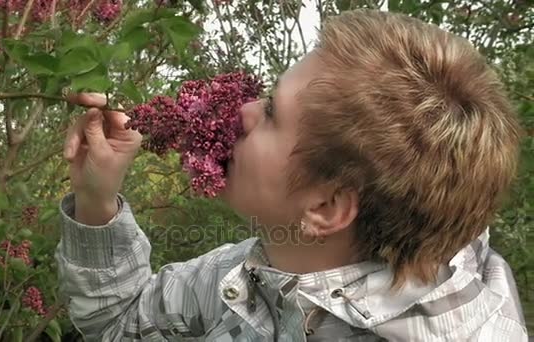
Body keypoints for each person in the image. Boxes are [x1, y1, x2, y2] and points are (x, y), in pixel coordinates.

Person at [55, 9, 528, 341]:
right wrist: (97, 198)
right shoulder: (255, 272)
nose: (242, 109)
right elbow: (121, 325)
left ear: (325, 208)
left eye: (271, 114)